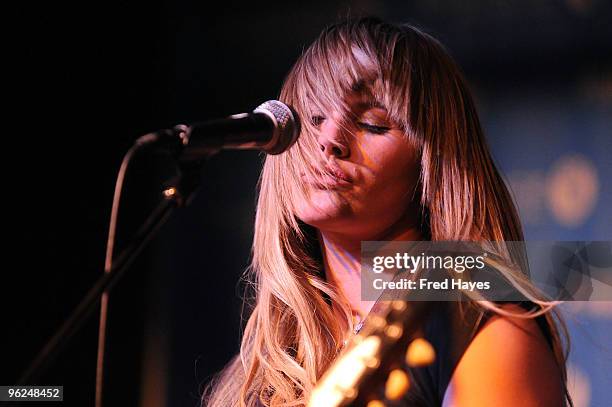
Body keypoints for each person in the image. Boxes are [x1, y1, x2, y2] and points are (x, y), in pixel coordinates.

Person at [204, 17, 571, 406]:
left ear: (433, 166)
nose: (330, 140)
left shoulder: (479, 319)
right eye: (313, 118)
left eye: (372, 124)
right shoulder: (264, 367)